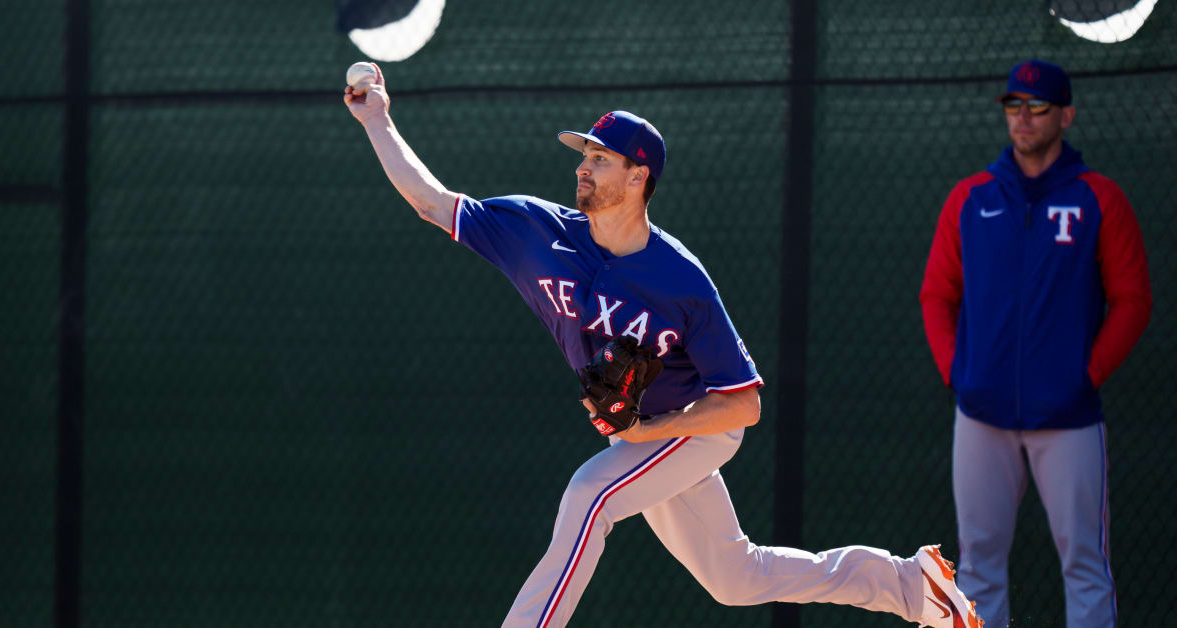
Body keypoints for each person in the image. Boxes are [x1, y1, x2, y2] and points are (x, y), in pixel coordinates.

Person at [345, 62, 982, 628]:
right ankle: (910, 585)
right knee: (737, 579)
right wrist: (377, 122)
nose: (582, 166)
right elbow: (432, 202)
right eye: (584, 155)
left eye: (599, 158)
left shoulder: (681, 279)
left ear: (638, 174)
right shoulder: (537, 232)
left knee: (588, 500)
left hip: (698, 425)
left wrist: (655, 431)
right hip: (642, 432)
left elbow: (744, 405)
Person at [920, 59, 1151, 628]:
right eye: (1013, 105)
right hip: (981, 415)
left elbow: (1133, 300)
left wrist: (1084, 377)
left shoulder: (1099, 198)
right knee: (976, 569)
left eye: (1037, 106)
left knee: (1085, 566)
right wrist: (960, 374)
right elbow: (936, 295)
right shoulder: (970, 198)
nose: (1022, 118)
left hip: (1068, 418)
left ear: (1065, 114)